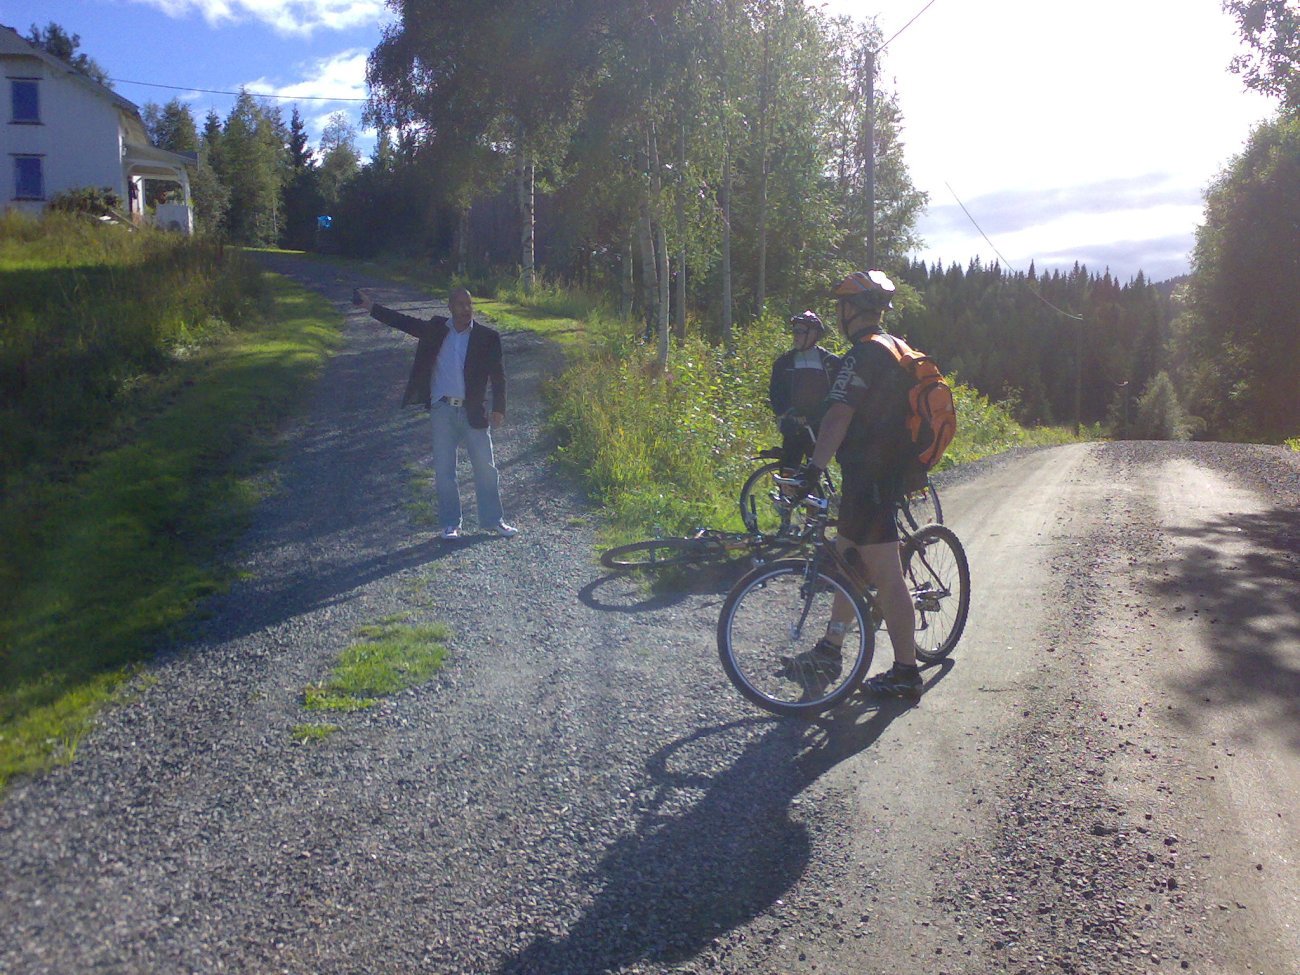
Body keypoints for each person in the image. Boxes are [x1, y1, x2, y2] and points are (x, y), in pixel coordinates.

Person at [793, 269, 922, 697]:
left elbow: (839, 415)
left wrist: (811, 471)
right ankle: (830, 649)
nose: (838, 313)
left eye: (841, 306)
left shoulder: (863, 355)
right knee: (848, 561)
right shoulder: (893, 347)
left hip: (872, 478)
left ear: (853, 309)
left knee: (886, 576)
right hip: (876, 474)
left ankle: (906, 673)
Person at [354, 285, 518, 540]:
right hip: (442, 409)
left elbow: (499, 376)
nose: (466, 309)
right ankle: (451, 524)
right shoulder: (436, 329)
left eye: (469, 304)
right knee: (444, 471)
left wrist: (499, 408)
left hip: (473, 410)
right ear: (450, 308)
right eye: (461, 304)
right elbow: (403, 322)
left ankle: (494, 520)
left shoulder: (487, 337)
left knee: (486, 468)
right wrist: (371, 307)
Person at [768, 311, 840, 474]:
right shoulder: (783, 362)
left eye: (800, 331)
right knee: (788, 473)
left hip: (819, 426)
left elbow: (837, 393)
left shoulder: (831, 362)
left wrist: (822, 413)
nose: (796, 335)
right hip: (793, 426)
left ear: (814, 334)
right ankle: (788, 497)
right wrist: (789, 412)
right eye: (794, 331)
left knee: (816, 472)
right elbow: (776, 393)